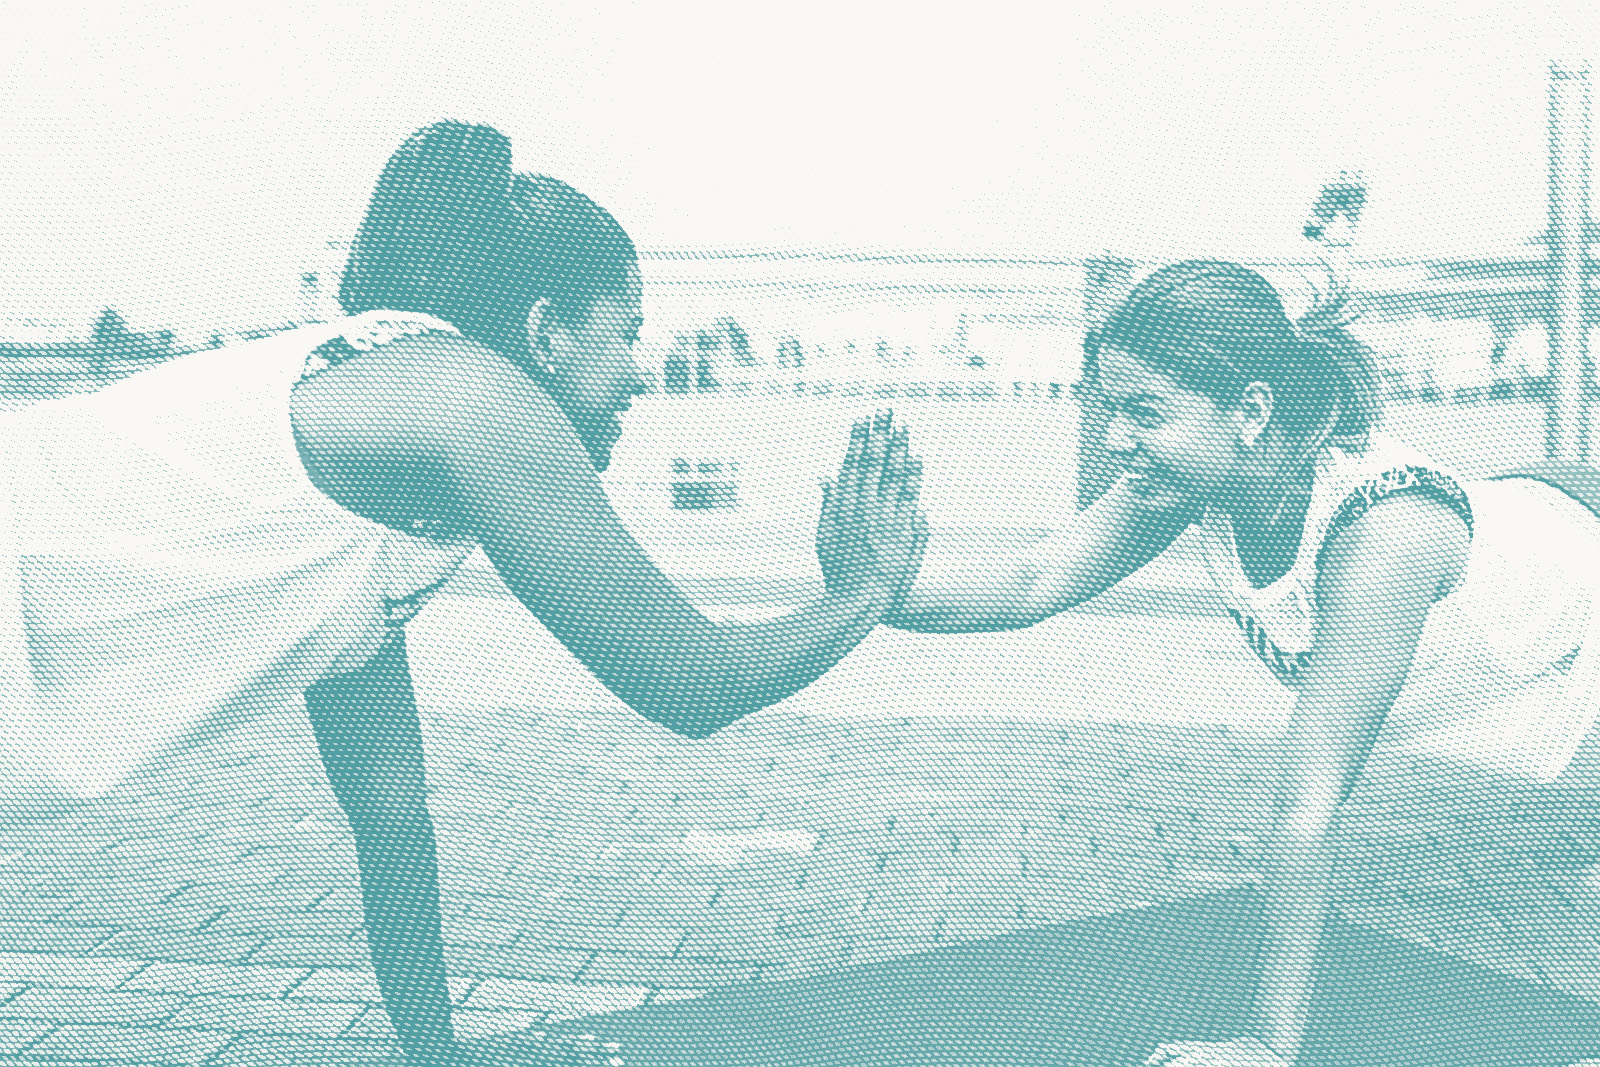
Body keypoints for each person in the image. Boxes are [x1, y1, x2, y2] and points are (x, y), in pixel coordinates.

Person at [0, 121, 929, 1067]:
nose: (639, 373)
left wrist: (435, 1053)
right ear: (544, 333)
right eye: (625, 334)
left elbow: (394, 817)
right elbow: (689, 681)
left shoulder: (380, 455)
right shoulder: (474, 400)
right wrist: (864, 590)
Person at [885, 259, 1600, 1066]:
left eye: (1143, 412)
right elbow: (1032, 580)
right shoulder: (1199, 475)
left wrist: (1267, 1045)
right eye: (1109, 409)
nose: (1116, 438)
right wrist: (871, 586)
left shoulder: (1384, 536)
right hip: (1526, 560)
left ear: (1251, 410)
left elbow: (1311, 798)